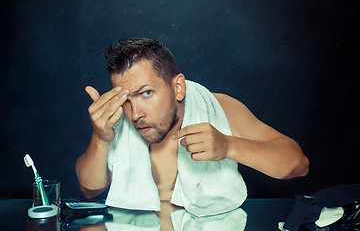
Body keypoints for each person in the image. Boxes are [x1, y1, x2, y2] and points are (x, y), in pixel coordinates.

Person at [76, 37, 309, 203]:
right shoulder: (117, 119)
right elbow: (89, 190)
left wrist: (229, 146)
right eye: (126, 99)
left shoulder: (220, 108)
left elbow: (298, 165)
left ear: (177, 87)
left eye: (146, 93)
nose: (135, 114)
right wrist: (100, 138)